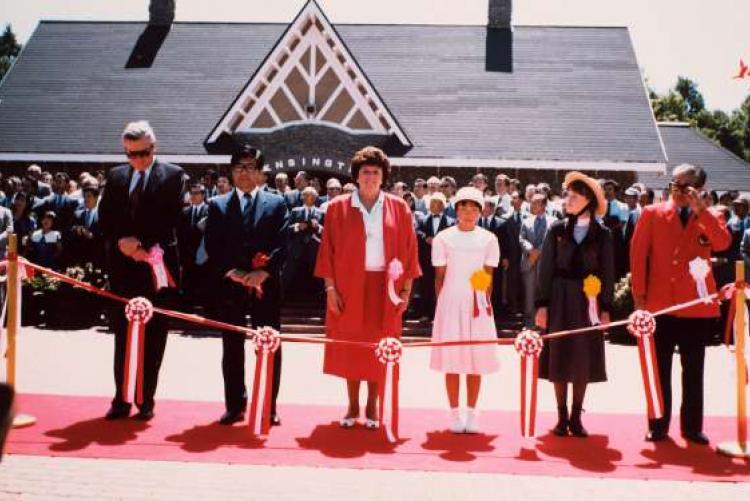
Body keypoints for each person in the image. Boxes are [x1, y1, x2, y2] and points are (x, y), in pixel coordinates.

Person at [315, 146, 420, 429]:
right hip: (349, 285)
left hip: (386, 289)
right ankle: (351, 404)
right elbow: (328, 252)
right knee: (352, 346)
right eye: (365, 172)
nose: (371, 176)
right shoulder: (338, 208)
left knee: (379, 345)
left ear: (383, 176)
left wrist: (406, 292)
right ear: (356, 177)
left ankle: (373, 404)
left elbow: (410, 253)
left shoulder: (399, 207)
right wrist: (330, 289)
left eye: (376, 172)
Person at [630, 163, 731, 444]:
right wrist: (640, 301)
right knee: (659, 370)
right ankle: (658, 424)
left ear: (699, 190)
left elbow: (722, 244)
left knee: (694, 371)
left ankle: (692, 427)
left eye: (683, 186)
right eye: (673, 184)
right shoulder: (653, 213)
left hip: (696, 307)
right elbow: (639, 258)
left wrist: (702, 212)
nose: (675, 190)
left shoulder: (712, 216)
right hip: (660, 305)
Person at [98, 120, 185, 421]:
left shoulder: (173, 176)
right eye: (130, 154)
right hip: (123, 270)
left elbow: (171, 217)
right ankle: (121, 399)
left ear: (154, 148)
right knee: (122, 336)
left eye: (143, 153)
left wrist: (141, 244)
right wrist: (121, 242)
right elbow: (105, 217)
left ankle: (145, 399)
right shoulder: (116, 177)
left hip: (156, 270)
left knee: (154, 337)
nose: (137, 160)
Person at [204, 145, 289, 426]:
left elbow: (283, 244)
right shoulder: (217, 205)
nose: (245, 172)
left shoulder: (276, 204)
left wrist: (264, 272)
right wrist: (235, 273)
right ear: (231, 171)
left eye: (251, 167)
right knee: (231, 347)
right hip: (231, 287)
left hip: (266, 286)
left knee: (269, 345)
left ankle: (269, 405)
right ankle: (234, 405)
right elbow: (213, 247)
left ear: (261, 173)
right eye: (240, 166)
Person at [535, 172, 614, 437]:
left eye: (574, 196)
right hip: (559, 297)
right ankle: (560, 417)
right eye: (567, 194)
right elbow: (544, 268)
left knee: (582, 357)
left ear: (588, 200)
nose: (567, 200)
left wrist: (605, 309)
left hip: (588, 300)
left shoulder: (603, 234)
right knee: (558, 354)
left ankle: (576, 416)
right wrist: (542, 304)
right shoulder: (556, 229)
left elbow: (608, 272)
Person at [430, 187, 500, 433]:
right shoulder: (443, 238)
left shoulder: (489, 239)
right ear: (456, 209)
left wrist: (480, 302)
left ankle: (471, 413)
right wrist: (444, 306)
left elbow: (488, 276)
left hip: (477, 306)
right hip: (450, 305)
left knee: (475, 361)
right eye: (463, 206)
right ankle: (453, 414)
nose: (468, 212)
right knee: (452, 361)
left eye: (474, 207)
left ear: (481, 211)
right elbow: (439, 277)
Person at [416, 192, 454, 319]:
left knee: (443, 286)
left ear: (443, 205)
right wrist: (426, 237)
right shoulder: (422, 219)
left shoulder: (451, 221)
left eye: (437, 203)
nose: (434, 205)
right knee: (426, 285)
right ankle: (426, 313)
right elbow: (417, 231)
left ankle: (442, 313)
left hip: (444, 261)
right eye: (432, 203)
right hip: (426, 259)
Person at [519, 193, 556, 327]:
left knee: (544, 294)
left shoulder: (553, 222)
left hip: (545, 265)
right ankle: (529, 324)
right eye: (531, 202)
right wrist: (531, 251)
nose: (532, 205)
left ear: (544, 205)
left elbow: (550, 241)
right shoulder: (526, 221)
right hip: (529, 263)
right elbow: (522, 238)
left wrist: (539, 252)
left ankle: (544, 325)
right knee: (529, 296)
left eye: (536, 203)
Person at [283, 186, 324, 301]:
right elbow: (286, 229)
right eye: (305, 195)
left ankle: (321, 299)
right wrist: (297, 226)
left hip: (314, 249)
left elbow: (326, 232)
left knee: (318, 276)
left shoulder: (321, 212)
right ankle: (281, 297)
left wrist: (318, 227)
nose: (307, 197)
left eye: (310, 195)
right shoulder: (295, 211)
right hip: (297, 249)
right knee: (288, 274)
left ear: (315, 197)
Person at [178, 183, 209, 309]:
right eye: (192, 193)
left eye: (196, 193)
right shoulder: (185, 212)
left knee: (204, 282)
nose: (193, 196)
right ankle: (187, 307)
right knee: (188, 282)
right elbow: (180, 234)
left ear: (203, 195)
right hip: (188, 254)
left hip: (204, 254)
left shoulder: (210, 210)